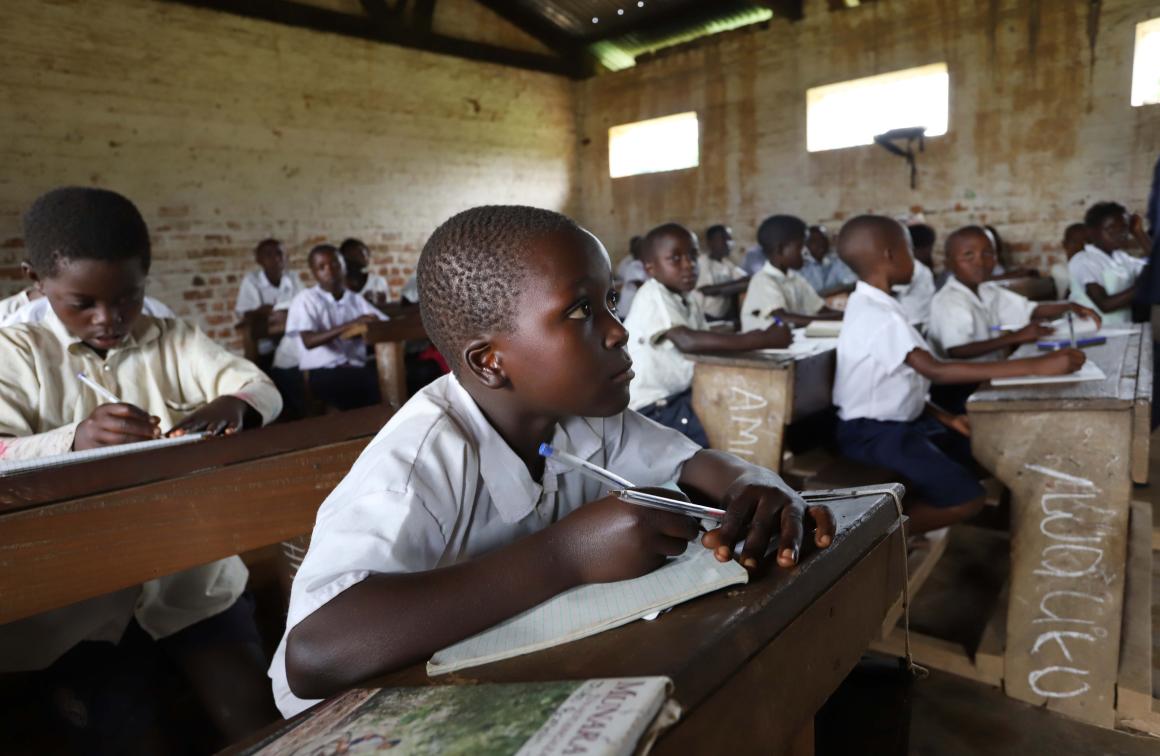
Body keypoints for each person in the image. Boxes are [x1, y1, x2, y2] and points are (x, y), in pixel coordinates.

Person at [269, 205, 836, 717]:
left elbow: (696, 464)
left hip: (512, 685)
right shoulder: (418, 463)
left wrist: (755, 483)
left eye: (611, 302)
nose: (619, 331)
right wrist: (568, 555)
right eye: (582, 310)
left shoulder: (585, 416)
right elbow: (315, 654)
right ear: (490, 362)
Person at [0, 187, 283, 747]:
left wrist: (232, 404)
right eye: (83, 303)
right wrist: (73, 440)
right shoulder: (16, 351)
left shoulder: (170, 338)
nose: (109, 318)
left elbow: (259, 387)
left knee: (256, 718)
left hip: (188, 572)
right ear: (35, 279)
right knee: (126, 735)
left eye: (128, 297)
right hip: (72, 602)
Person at [833, 216, 1084, 534]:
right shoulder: (878, 315)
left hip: (901, 423)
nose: (917, 261)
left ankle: (916, 517)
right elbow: (936, 370)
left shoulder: (877, 306)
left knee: (983, 455)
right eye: (909, 250)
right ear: (890, 255)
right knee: (967, 499)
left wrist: (948, 419)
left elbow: (898, 387)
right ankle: (873, 540)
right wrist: (1037, 366)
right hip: (873, 435)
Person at [625, 223, 791, 444]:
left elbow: (705, 342)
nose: (689, 265)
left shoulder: (686, 298)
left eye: (693, 256)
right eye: (675, 259)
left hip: (679, 396)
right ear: (650, 269)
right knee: (719, 440)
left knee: (744, 410)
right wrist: (761, 339)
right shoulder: (654, 295)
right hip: (653, 407)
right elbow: (687, 340)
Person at [926, 225, 1098, 411]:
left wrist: (1069, 306)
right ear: (949, 263)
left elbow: (1030, 309)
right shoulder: (949, 300)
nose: (981, 262)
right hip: (959, 389)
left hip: (989, 375)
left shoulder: (987, 290)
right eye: (969, 255)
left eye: (987, 253)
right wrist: (1016, 337)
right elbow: (957, 351)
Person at [285, 244, 386, 410]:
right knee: (374, 382)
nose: (330, 271)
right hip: (321, 371)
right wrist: (351, 325)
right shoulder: (305, 299)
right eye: (321, 267)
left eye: (335, 264)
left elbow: (382, 322)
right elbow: (308, 341)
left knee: (396, 375)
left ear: (344, 266)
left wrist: (371, 323)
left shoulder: (354, 299)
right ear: (313, 272)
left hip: (354, 366)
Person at [741, 215, 843, 331]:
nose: (806, 252)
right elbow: (782, 319)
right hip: (762, 342)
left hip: (790, 340)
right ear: (780, 249)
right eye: (800, 246)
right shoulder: (763, 281)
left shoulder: (795, 279)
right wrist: (832, 319)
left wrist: (846, 316)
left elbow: (821, 311)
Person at [1069, 201, 1153, 324]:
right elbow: (1105, 305)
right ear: (1092, 232)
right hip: (1092, 331)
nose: (1120, 234)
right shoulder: (1084, 260)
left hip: (1123, 328)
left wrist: (1138, 232)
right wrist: (1146, 283)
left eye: (1124, 228)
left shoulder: (1122, 257)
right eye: (1111, 229)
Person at [234, 239, 302, 367]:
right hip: (266, 339)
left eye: (279, 254)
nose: (276, 259)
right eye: (268, 255)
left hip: (292, 335)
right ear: (259, 260)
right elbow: (245, 314)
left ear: (286, 257)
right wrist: (265, 311)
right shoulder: (252, 280)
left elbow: (303, 303)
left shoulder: (292, 277)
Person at [692, 224, 748, 320]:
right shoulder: (702, 262)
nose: (729, 243)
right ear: (710, 242)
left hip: (721, 316)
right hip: (703, 316)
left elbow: (743, 279)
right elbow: (707, 290)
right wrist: (736, 285)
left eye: (730, 239)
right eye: (724, 239)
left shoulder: (727, 263)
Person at [799, 224, 856, 295]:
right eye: (814, 241)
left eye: (823, 239)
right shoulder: (800, 265)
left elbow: (851, 282)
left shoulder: (836, 260)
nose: (820, 244)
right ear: (806, 244)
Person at [339, 238, 391, 306]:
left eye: (365, 252)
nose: (365, 255)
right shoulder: (336, 285)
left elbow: (387, 308)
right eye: (359, 252)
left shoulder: (378, 281)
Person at [1049, 223, 1088, 300]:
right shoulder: (1059, 269)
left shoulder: (1094, 265)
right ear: (1065, 244)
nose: (1080, 246)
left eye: (1085, 242)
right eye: (1075, 242)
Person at [615, 235, 647, 317]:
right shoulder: (634, 266)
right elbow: (639, 284)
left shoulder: (643, 264)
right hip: (627, 311)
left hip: (634, 309)